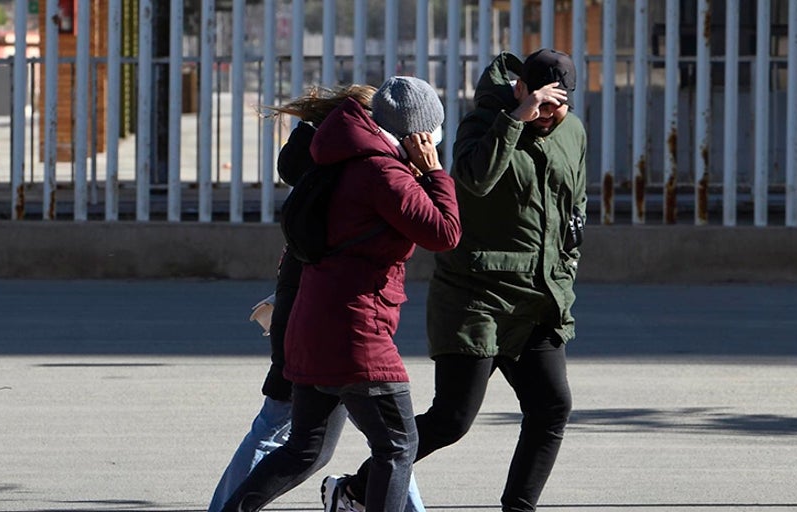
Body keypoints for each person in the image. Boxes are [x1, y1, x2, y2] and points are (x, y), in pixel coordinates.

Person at [331, 48, 586, 512]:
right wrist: (515, 119)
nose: (550, 115)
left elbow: (575, 208)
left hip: (538, 300)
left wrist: (566, 267)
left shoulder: (573, 132)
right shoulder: (484, 121)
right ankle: (351, 489)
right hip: (476, 298)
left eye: (560, 104)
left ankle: (519, 507)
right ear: (521, 89)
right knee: (452, 419)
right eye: (542, 103)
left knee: (551, 407)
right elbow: (475, 178)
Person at [220, 75, 461, 512]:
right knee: (398, 447)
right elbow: (444, 232)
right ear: (418, 134)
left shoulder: (341, 158)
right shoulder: (382, 172)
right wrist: (434, 171)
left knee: (305, 451)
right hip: (357, 333)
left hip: (314, 325)